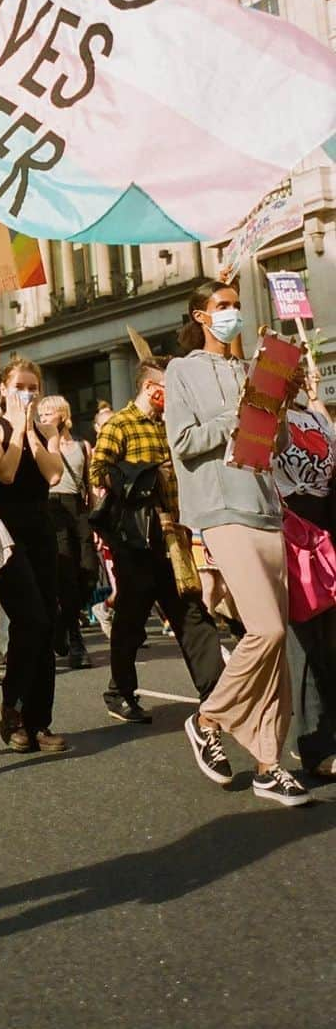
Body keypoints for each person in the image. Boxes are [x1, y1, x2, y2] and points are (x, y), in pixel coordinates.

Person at [165, 279, 311, 807]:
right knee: (267, 632)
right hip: (219, 509)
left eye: (235, 306)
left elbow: (281, 445)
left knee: (275, 648)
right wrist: (238, 415)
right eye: (221, 307)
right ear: (201, 316)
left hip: (266, 507)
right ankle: (207, 719)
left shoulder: (254, 368)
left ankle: (269, 765)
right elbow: (183, 442)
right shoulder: (182, 370)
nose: (233, 315)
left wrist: (281, 404)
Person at [88, 359, 225, 725]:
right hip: (137, 537)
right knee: (132, 618)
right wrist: (149, 476)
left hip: (174, 532)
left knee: (191, 611)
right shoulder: (120, 424)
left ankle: (215, 693)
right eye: (169, 387)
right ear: (151, 388)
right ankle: (120, 692)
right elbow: (98, 471)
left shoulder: (174, 424)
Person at [0, 357, 67, 754]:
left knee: (46, 625)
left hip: (41, 531)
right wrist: (17, 429)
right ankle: (11, 709)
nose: (28, 394)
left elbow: (54, 474)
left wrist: (34, 434)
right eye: (21, 386)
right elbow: (7, 472)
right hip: (6, 536)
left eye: (34, 387)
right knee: (29, 619)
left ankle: (39, 721)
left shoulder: (46, 430)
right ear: (4, 389)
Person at [272, 370, 336, 781]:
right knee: (306, 642)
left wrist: (318, 407)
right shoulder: (265, 417)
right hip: (288, 533)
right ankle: (314, 746)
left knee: (329, 642)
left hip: (326, 533)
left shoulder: (318, 419)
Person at [39, 395, 96, 670]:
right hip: (52, 508)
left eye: (49, 412)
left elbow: (90, 485)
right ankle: (76, 640)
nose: (45, 417)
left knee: (89, 572)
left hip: (78, 510)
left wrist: (94, 517)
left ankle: (61, 625)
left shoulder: (83, 446)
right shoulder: (39, 445)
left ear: (63, 414)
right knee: (67, 578)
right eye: (42, 414)